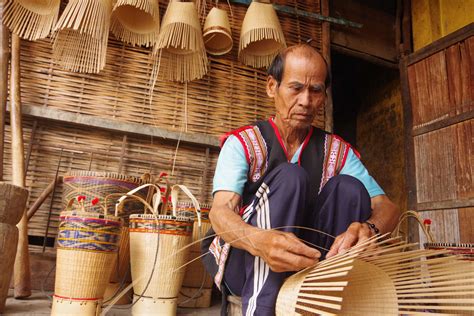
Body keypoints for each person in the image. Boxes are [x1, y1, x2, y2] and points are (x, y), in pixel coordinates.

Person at [201, 44, 400, 316]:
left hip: (309, 263)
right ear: (272, 87)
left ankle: (324, 302)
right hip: (246, 262)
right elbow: (220, 212)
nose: (306, 101)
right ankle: (260, 308)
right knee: (290, 177)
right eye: (296, 88)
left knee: (350, 189)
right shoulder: (243, 143)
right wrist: (259, 241)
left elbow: (386, 206)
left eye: (315, 90)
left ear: (323, 96)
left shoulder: (336, 150)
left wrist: (370, 229)